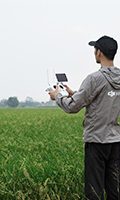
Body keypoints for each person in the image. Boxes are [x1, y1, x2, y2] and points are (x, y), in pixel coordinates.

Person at [48, 35, 120, 200]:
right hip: (115, 141)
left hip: (96, 142)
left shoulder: (94, 78)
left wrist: (57, 96)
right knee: (113, 190)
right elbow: (105, 99)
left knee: (94, 191)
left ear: (99, 52)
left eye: (95, 49)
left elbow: (72, 107)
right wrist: (75, 94)